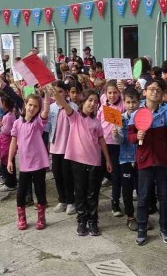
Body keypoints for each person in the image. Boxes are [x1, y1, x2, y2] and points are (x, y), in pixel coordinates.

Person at [53, 85, 113, 237]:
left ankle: (93, 221)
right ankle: (82, 221)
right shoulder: (75, 117)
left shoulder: (96, 122)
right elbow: (63, 102)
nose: (92, 104)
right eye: (90, 100)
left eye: (95, 101)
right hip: (78, 162)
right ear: (83, 101)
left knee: (93, 194)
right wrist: (54, 91)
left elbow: (102, 140)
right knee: (79, 192)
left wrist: (107, 159)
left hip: (94, 162)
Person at [130, 78, 167, 246]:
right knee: (143, 197)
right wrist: (136, 136)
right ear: (144, 92)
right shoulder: (136, 114)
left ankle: (164, 228)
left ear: (162, 95)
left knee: (164, 197)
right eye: (151, 89)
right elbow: (130, 136)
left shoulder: (165, 114)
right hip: (144, 161)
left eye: (158, 90)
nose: (154, 92)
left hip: (162, 161)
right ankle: (142, 229)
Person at [8, 90, 51, 230]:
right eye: (30, 105)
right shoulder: (17, 123)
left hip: (39, 164)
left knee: (40, 191)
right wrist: (10, 160)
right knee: (21, 193)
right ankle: (21, 218)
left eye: (35, 106)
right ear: (25, 105)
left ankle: (41, 217)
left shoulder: (38, 123)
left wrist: (46, 94)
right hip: (24, 165)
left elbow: (46, 111)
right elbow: (13, 142)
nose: (32, 108)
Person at [48, 80, 80, 215]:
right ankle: (62, 199)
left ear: (66, 92)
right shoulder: (51, 108)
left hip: (68, 147)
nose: (58, 95)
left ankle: (71, 201)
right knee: (57, 174)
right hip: (55, 147)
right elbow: (47, 126)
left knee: (68, 175)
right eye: (55, 92)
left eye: (60, 92)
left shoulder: (73, 107)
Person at [115, 86, 141, 231]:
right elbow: (120, 141)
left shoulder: (143, 117)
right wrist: (115, 134)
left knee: (142, 188)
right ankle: (130, 216)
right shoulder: (119, 118)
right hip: (125, 158)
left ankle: (143, 215)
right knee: (127, 188)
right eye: (128, 102)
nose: (131, 105)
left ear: (139, 102)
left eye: (134, 102)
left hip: (141, 158)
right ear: (124, 102)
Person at [98, 80, 124, 217]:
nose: (112, 95)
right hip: (101, 144)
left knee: (116, 175)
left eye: (115, 92)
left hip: (116, 145)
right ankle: (93, 203)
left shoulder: (122, 104)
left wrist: (123, 89)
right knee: (98, 174)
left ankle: (115, 203)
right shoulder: (102, 105)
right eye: (110, 93)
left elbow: (126, 100)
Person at [0, 95, 18, 192]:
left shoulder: (8, 116)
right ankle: (11, 181)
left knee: (7, 160)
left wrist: (0, 125)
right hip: (7, 140)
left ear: (4, 104)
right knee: (9, 159)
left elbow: (6, 130)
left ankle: (9, 182)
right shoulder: (10, 114)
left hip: (7, 140)